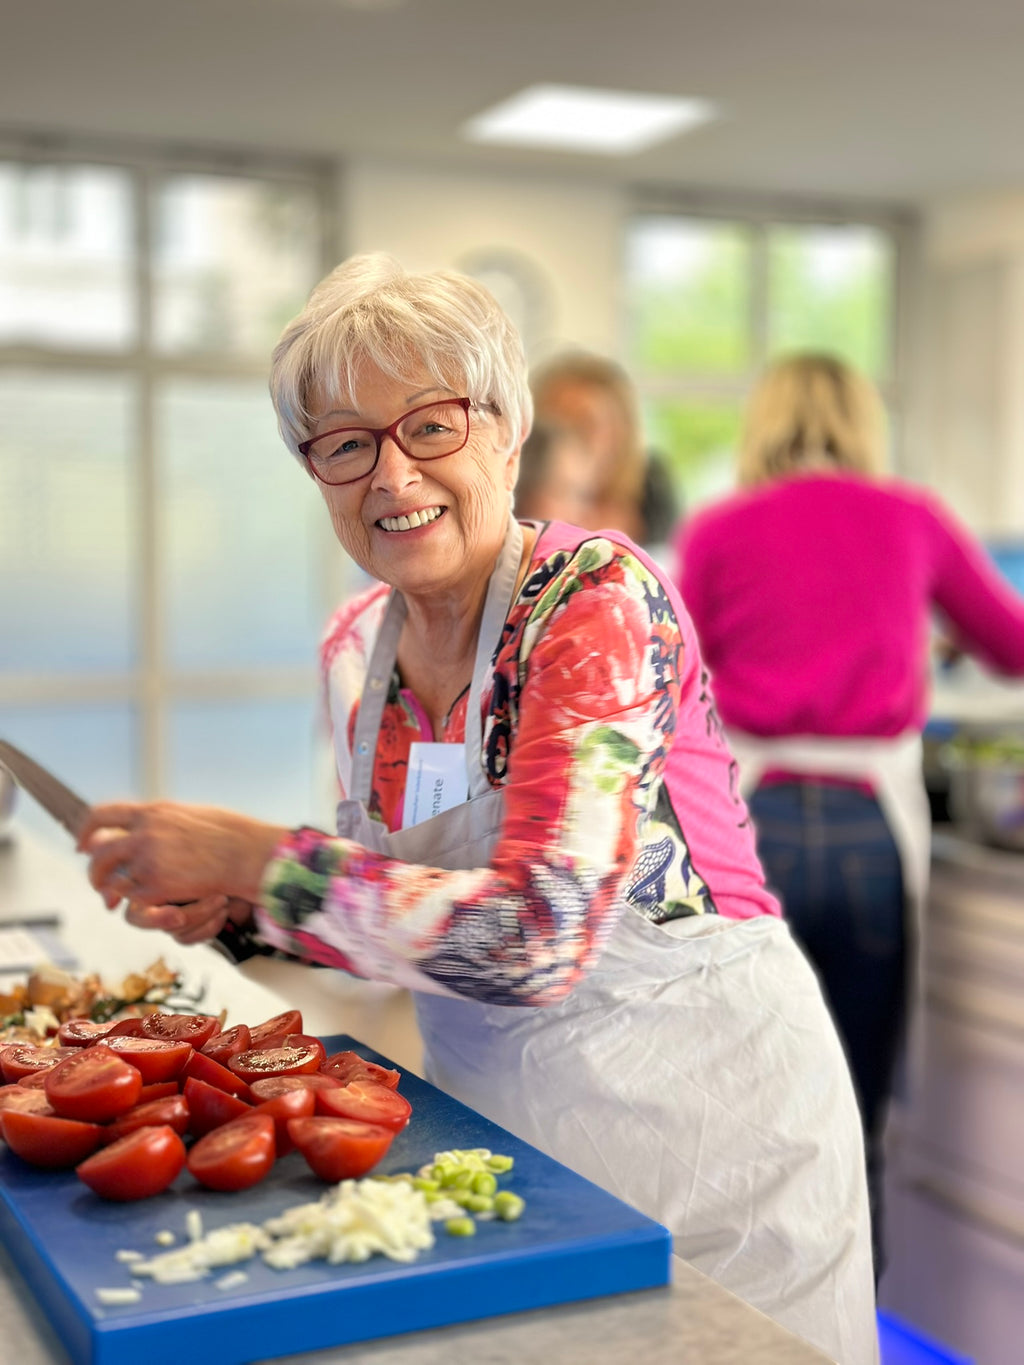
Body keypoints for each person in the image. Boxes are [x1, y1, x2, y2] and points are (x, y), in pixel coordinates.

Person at [78, 259, 877, 1365]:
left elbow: (534, 935)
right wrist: (231, 906)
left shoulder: (594, 604)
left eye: (431, 425)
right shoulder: (359, 651)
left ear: (508, 430)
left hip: (715, 1143)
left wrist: (265, 861)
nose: (390, 474)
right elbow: (397, 923)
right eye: (345, 443)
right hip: (517, 1147)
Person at [673, 351, 1024, 1278]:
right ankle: (852, 1328)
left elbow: (669, 685)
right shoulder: (911, 517)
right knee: (855, 1120)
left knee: (750, 1113)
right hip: (874, 836)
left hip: (752, 835)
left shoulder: (717, 531)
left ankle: (738, 1332)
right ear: (865, 423)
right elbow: (1015, 643)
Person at [530, 350, 679, 547]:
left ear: (621, 431)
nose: (569, 440)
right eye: (557, 423)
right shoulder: (519, 492)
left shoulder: (650, 489)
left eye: (586, 424)